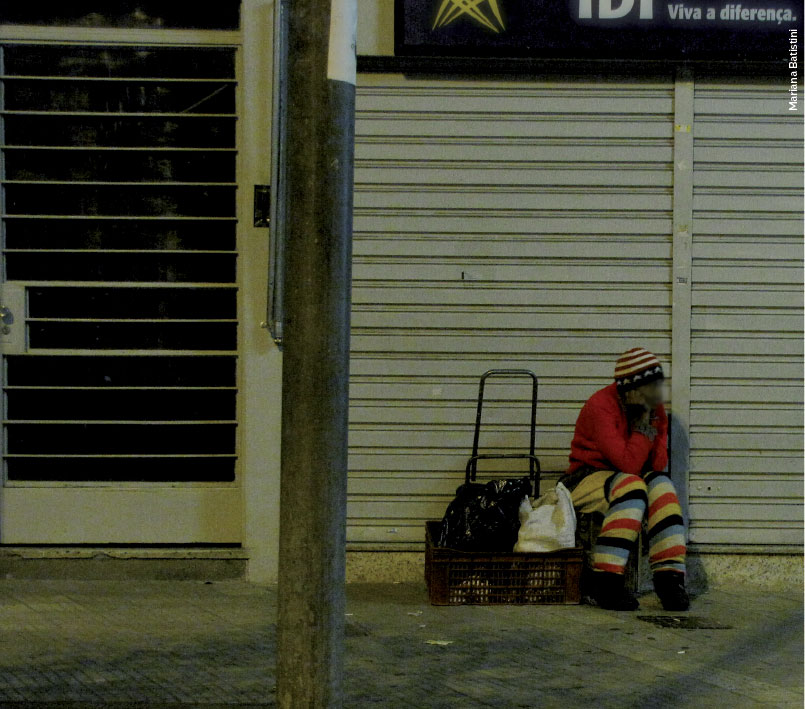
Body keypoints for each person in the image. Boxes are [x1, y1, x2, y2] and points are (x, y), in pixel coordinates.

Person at [559, 347, 690, 611]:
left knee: (663, 486)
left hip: (627, 476)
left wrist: (655, 423)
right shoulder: (601, 406)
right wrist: (644, 426)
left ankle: (669, 580)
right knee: (632, 487)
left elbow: (656, 464)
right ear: (628, 389)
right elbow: (628, 464)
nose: (654, 395)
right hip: (586, 476)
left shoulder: (654, 408)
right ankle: (606, 582)